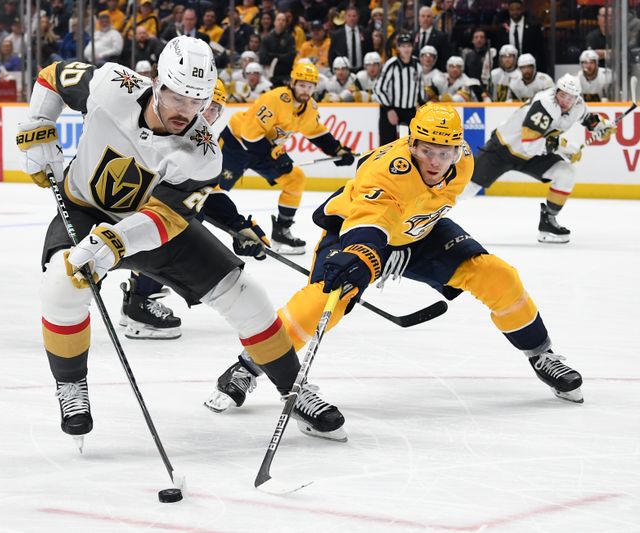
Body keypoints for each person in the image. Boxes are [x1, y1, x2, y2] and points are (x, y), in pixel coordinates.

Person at [16, 36, 340, 446]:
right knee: (61, 283)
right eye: (178, 96)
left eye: (198, 101)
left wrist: (114, 242)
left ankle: (294, 389)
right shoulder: (110, 84)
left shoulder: (204, 152)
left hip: (150, 224)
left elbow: (165, 218)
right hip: (85, 209)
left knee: (247, 295)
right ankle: (70, 386)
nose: (187, 112)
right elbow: (51, 77)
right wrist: (39, 125)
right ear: (156, 83)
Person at [205, 103, 586, 430]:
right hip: (358, 231)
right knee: (324, 301)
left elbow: (429, 204)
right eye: (426, 151)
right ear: (411, 143)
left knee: (496, 275)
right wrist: (369, 255)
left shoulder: (465, 161)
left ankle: (541, 353)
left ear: (458, 149)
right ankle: (247, 366)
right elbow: (370, 220)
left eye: (445, 152)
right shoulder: (389, 170)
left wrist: (405, 240)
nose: (436, 162)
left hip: (419, 232)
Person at [118, 79, 270, 340]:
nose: (208, 115)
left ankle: (138, 296)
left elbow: (207, 195)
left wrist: (238, 225)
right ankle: (139, 305)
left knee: (183, 219)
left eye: (215, 109)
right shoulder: (172, 133)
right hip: (124, 209)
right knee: (176, 226)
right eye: (207, 107)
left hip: (134, 211)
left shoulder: (199, 142)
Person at [215, 62, 356, 255]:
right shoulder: (276, 99)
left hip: (263, 148)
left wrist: (338, 150)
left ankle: (281, 230)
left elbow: (316, 132)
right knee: (213, 189)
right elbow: (250, 134)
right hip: (237, 143)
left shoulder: (309, 108)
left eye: (310, 86)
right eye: (302, 85)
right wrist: (277, 155)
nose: (305, 90)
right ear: (292, 83)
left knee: (295, 179)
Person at [463, 75, 616, 243]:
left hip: (532, 156)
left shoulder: (578, 105)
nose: (565, 100)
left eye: (570, 97)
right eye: (562, 95)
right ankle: (431, 218)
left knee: (566, 173)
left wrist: (602, 125)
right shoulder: (544, 104)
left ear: (577, 97)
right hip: (504, 148)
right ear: (556, 91)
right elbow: (530, 143)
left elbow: (587, 119)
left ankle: (548, 222)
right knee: (466, 189)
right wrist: (564, 147)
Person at [374, 33, 421, 145]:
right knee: (387, 145)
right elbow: (378, 88)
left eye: (408, 46)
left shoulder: (417, 64)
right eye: (403, 46)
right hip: (391, 108)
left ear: (412, 47)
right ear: (398, 48)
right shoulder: (391, 64)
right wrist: (389, 109)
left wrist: (422, 104)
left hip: (410, 110)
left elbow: (419, 86)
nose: (406, 49)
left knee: (413, 144)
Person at [495, 0, 546, 73]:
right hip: (508, 70)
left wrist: (541, 71)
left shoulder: (533, 26)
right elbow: (499, 52)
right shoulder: (503, 28)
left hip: (528, 69)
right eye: (512, 10)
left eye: (518, 9)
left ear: (523, 9)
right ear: (508, 10)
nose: (515, 12)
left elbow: (540, 51)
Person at [328, 6, 372, 73]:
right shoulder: (336, 35)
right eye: (349, 16)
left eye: (354, 16)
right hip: (344, 71)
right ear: (345, 17)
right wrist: (333, 71)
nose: (352, 18)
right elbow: (331, 55)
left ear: (358, 17)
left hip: (362, 70)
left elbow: (370, 51)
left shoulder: (366, 33)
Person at [260, 12, 296, 86]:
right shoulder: (267, 38)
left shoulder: (290, 38)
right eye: (279, 19)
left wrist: (273, 56)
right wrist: (281, 57)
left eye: (283, 20)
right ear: (274, 22)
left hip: (285, 74)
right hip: (268, 74)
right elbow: (263, 58)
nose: (281, 22)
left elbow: (290, 57)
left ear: (286, 23)